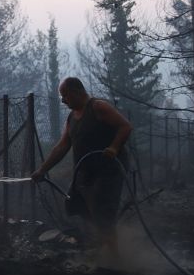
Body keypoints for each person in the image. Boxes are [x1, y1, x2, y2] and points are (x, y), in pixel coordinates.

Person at [31, 77, 132, 260]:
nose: (63, 101)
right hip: (85, 172)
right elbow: (62, 146)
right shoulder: (72, 118)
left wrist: (114, 148)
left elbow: (125, 127)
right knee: (75, 204)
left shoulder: (98, 108)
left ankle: (115, 258)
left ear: (76, 91)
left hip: (108, 170)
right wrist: (42, 170)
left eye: (65, 96)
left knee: (102, 211)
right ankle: (103, 241)